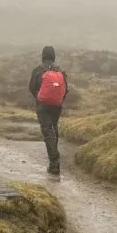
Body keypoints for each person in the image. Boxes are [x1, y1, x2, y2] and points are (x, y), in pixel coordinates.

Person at [29, 46, 68, 175]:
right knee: (53, 128)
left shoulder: (38, 70)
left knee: (47, 131)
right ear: (53, 56)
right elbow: (65, 90)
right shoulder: (61, 72)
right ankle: (54, 157)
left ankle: (54, 163)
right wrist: (58, 100)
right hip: (57, 106)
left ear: (43, 56)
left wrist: (39, 98)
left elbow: (32, 87)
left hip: (42, 105)